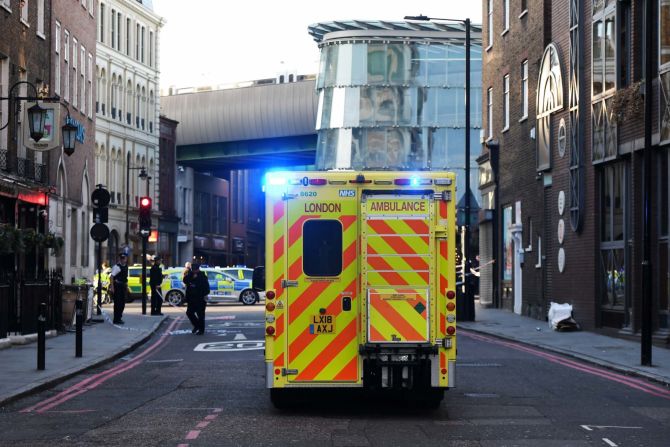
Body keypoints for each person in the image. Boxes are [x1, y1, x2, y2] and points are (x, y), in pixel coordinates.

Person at [184, 263, 210, 335]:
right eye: (193, 270)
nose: (194, 271)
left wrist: (203, 295)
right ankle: (196, 325)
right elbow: (185, 280)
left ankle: (201, 330)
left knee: (200, 315)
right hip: (191, 299)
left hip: (200, 299)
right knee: (189, 313)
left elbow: (207, 289)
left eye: (195, 270)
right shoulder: (190, 274)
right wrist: (192, 277)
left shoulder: (202, 276)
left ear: (198, 269)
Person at [108, 253, 129, 324]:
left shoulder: (126, 266)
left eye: (124, 258)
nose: (123, 259)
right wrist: (112, 287)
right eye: (122, 258)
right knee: (118, 303)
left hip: (123, 286)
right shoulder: (117, 267)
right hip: (117, 287)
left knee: (122, 303)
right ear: (120, 259)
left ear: (126, 258)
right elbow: (111, 277)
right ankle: (116, 319)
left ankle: (119, 317)